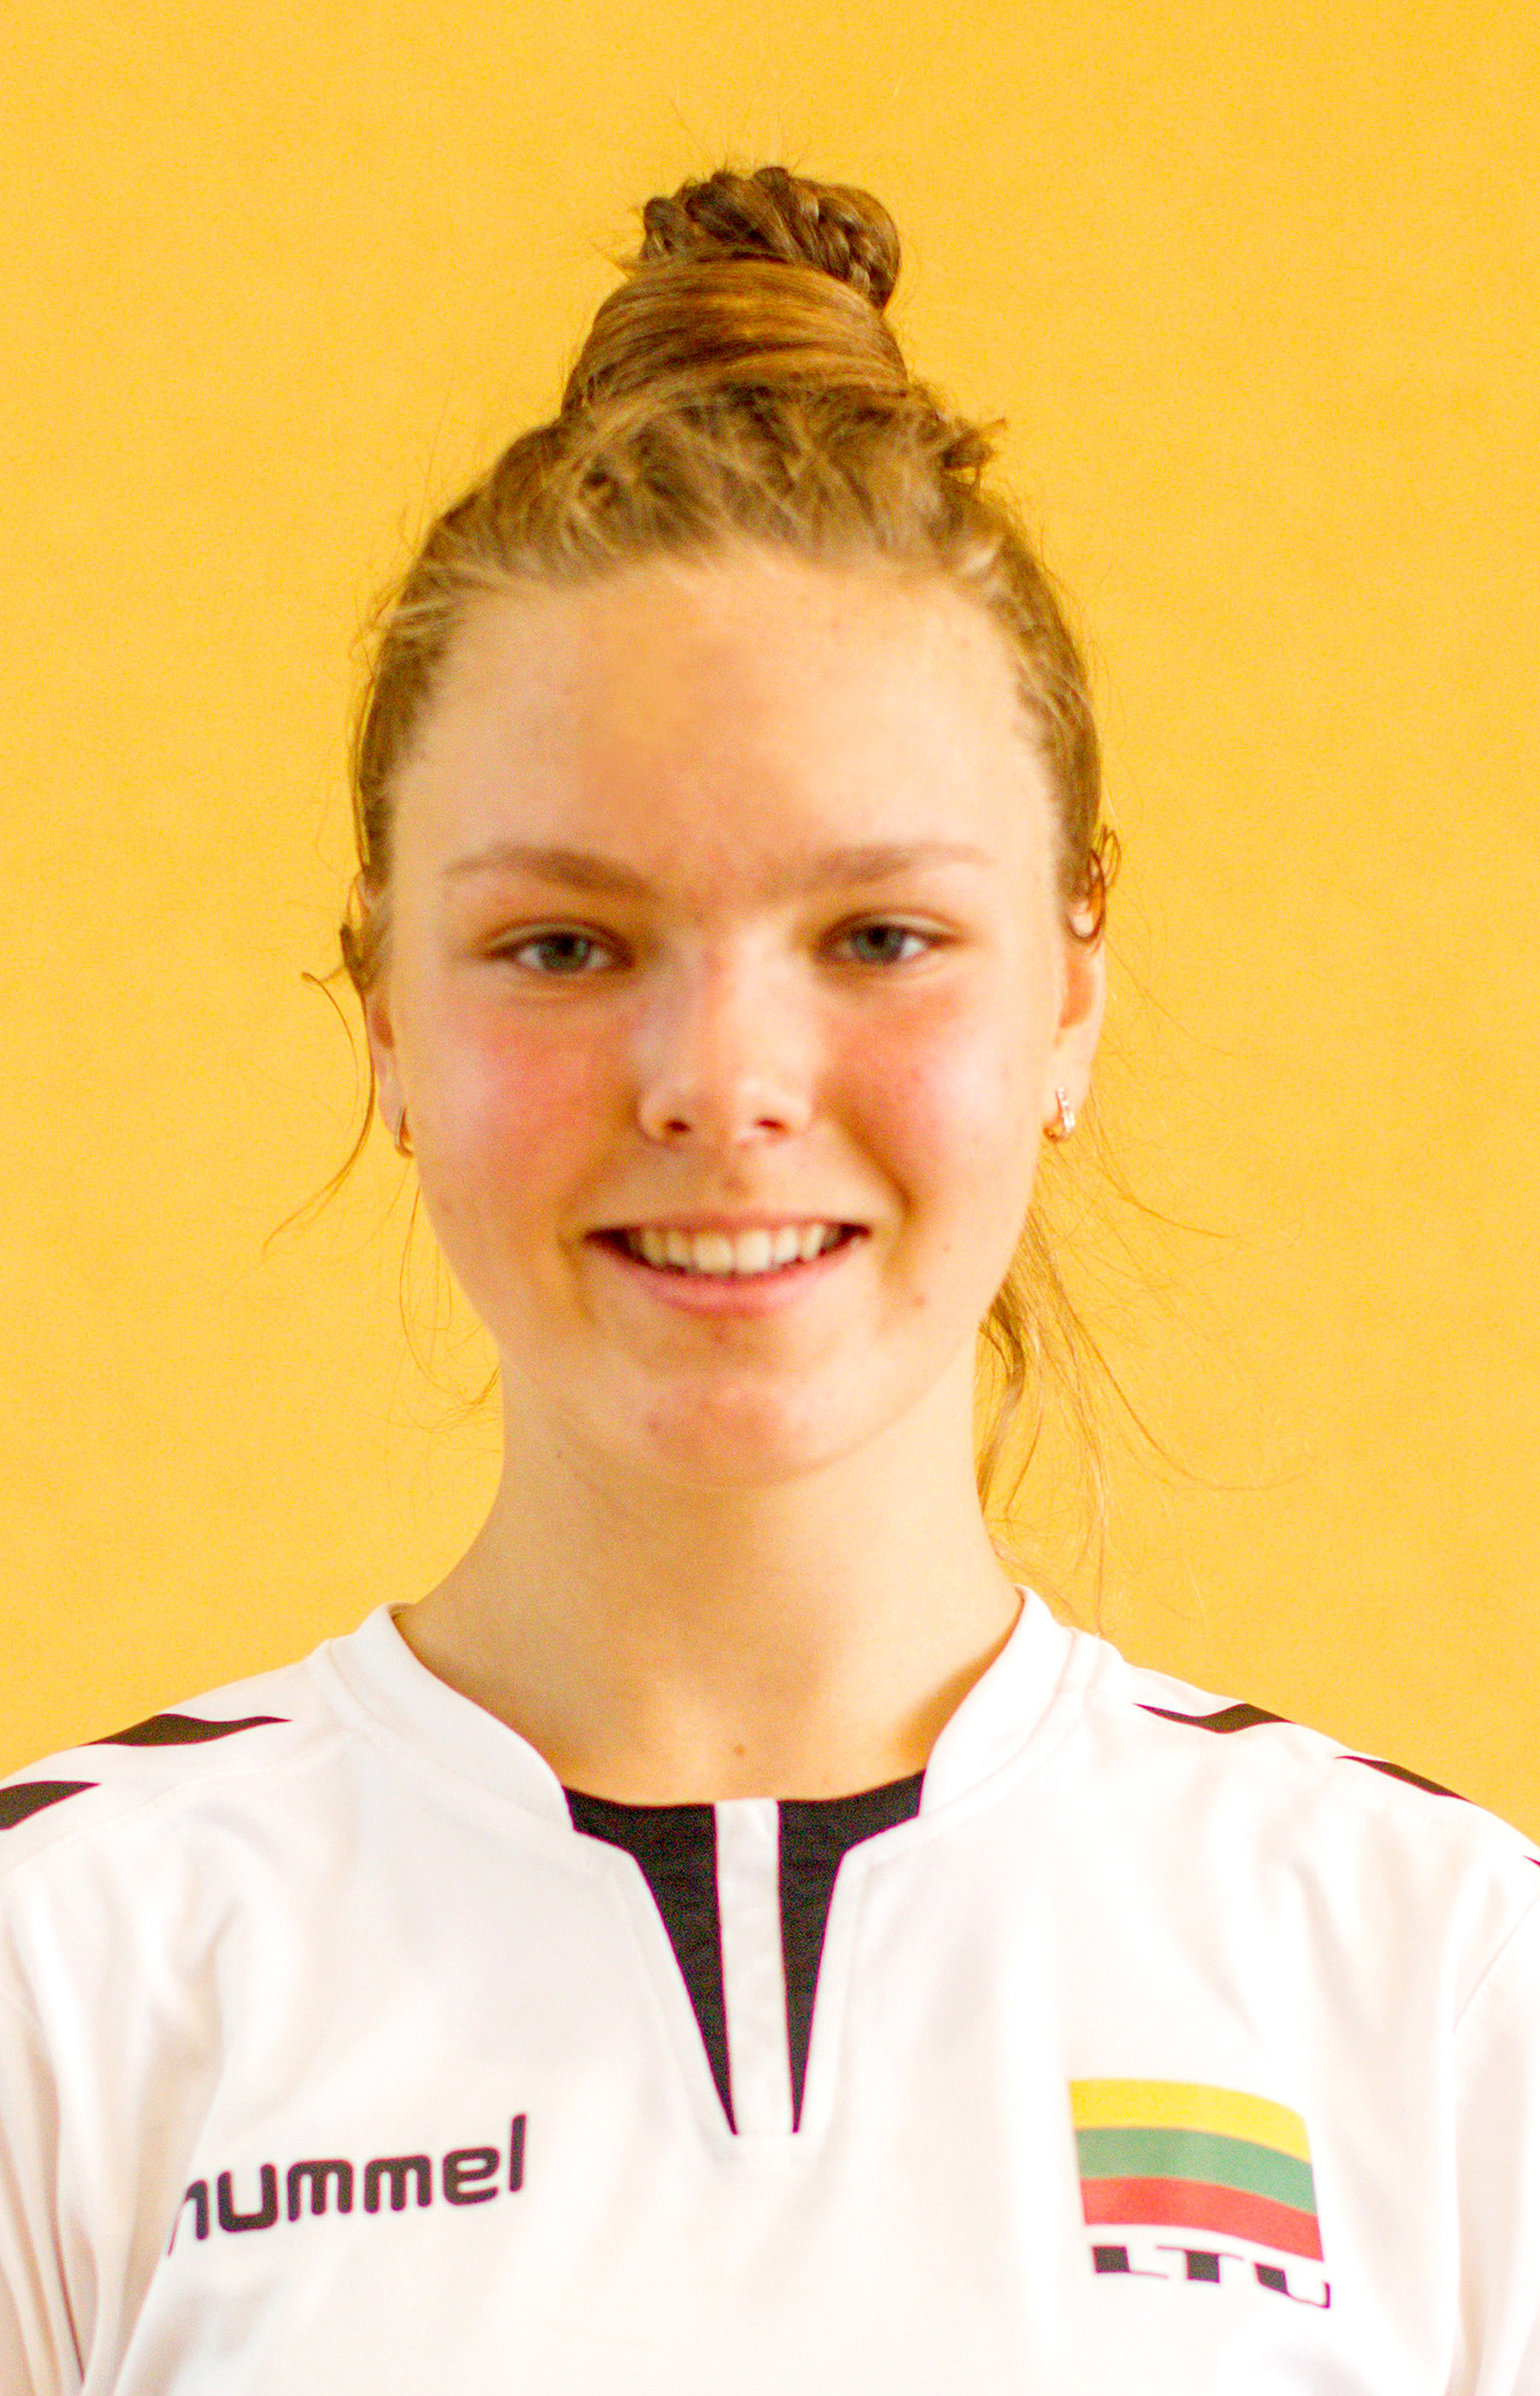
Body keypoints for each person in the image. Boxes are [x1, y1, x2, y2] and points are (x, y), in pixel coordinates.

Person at [1, 164, 1537, 2395]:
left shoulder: (1442, 1993)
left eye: (880, 937)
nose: (722, 1084)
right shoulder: (64, 1983)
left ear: (1072, 995)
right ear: (386, 1016)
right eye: (563, 945)